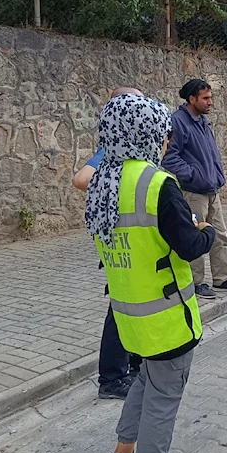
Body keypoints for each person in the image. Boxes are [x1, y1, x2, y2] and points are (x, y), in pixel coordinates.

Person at [88, 93, 216, 453]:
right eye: (161, 131)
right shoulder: (157, 183)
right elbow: (190, 245)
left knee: (146, 381)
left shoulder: (104, 180)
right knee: (164, 393)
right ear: (144, 132)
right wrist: (206, 229)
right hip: (165, 314)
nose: (165, 138)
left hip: (129, 313)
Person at [73, 86, 144, 399]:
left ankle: (133, 366)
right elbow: (81, 179)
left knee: (135, 304)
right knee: (121, 307)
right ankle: (112, 379)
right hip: (124, 239)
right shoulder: (114, 147)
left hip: (139, 238)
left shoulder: (138, 143)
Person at [161, 79, 227, 299]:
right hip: (193, 192)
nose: (210, 102)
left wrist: (216, 177)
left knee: (220, 236)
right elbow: (169, 158)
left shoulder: (203, 121)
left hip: (211, 189)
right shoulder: (178, 122)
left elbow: (210, 154)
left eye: (211, 97)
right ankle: (196, 282)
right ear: (192, 99)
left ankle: (222, 279)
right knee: (195, 236)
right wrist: (194, 176)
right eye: (205, 98)